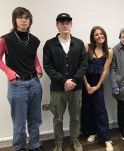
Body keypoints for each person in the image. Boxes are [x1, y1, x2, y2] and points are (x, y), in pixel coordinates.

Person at [0, 7, 44, 151]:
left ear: (30, 21)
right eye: (20, 17)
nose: (23, 20)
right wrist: (8, 71)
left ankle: (34, 145)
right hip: (17, 85)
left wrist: (38, 66)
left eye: (26, 18)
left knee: (35, 119)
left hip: (34, 83)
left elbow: (32, 57)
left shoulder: (34, 40)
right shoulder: (6, 39)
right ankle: (19, 147)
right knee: (19, 122)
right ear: (15, 20)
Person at [43, 13, 88, 151]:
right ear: (57, 25)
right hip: (57, 89)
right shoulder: (49, 44)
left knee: (75, 117)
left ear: (71, 24)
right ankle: (58, 143)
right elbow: (48, 66)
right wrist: (64, 81)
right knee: (58, 118)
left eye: (67, 22)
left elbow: (84, 64)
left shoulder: (79, 43)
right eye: (62, 23)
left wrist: (74, 80)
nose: (65, 25)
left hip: (76, 88)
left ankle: (74, 140)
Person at [80, 26, 114, 151]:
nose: (100, 36)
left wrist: (98, 85)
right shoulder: (87, 47)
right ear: (93, 37)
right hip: (86, 83)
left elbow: (105, 70)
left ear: (104, 36)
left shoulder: (109, 52)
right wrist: (86, 84)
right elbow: (82, 67)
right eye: (96, 34)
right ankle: (92, 132)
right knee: (87, 108)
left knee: (100, 110)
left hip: (98, 84)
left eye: (101, 34)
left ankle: (106, 138)